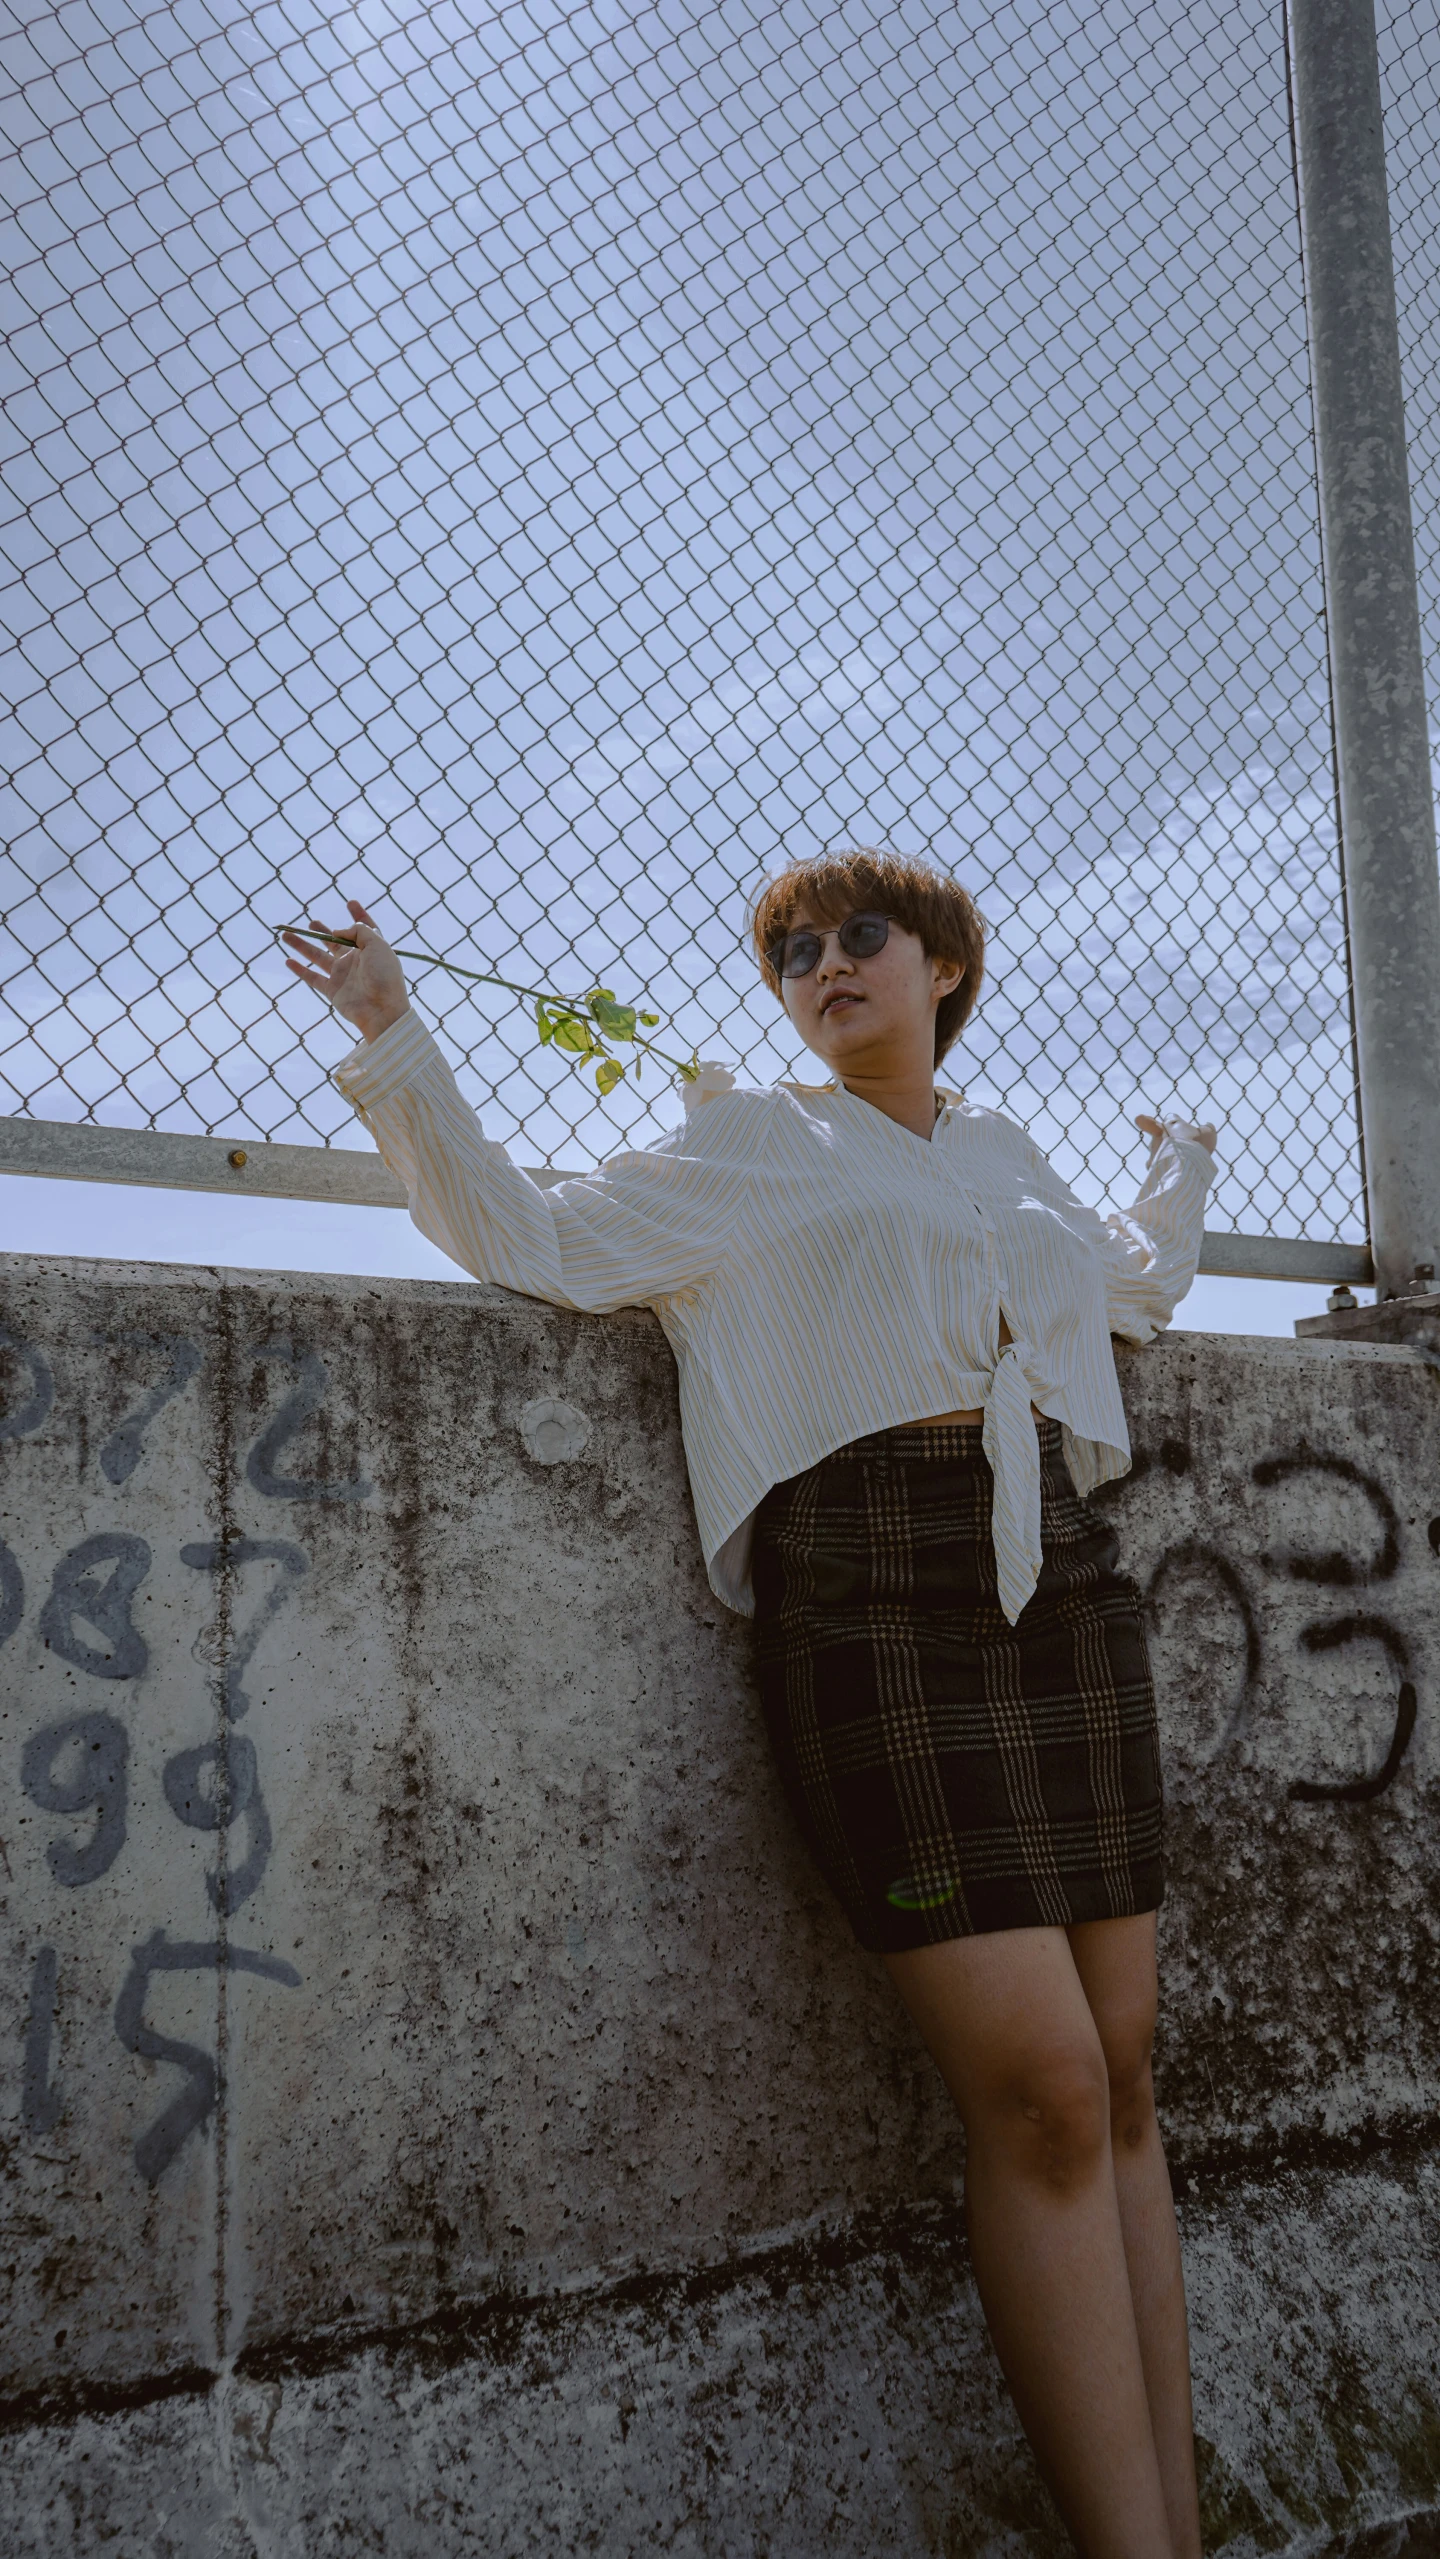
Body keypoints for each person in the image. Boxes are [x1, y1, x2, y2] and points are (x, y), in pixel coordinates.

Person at [284, 848, 1215, 2558]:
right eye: (791, 948)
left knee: (1130, 2075)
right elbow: (534, 1238)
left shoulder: (1006, 1157)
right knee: (1042, 2093)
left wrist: (1182, 1173)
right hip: (870, 1596)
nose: (822, 962)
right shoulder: (741, 1139)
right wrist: (396, 1036)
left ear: (943, 966)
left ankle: (1183, 2522)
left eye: (863, 935)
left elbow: (1133, 1290)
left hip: (1067, 1590)